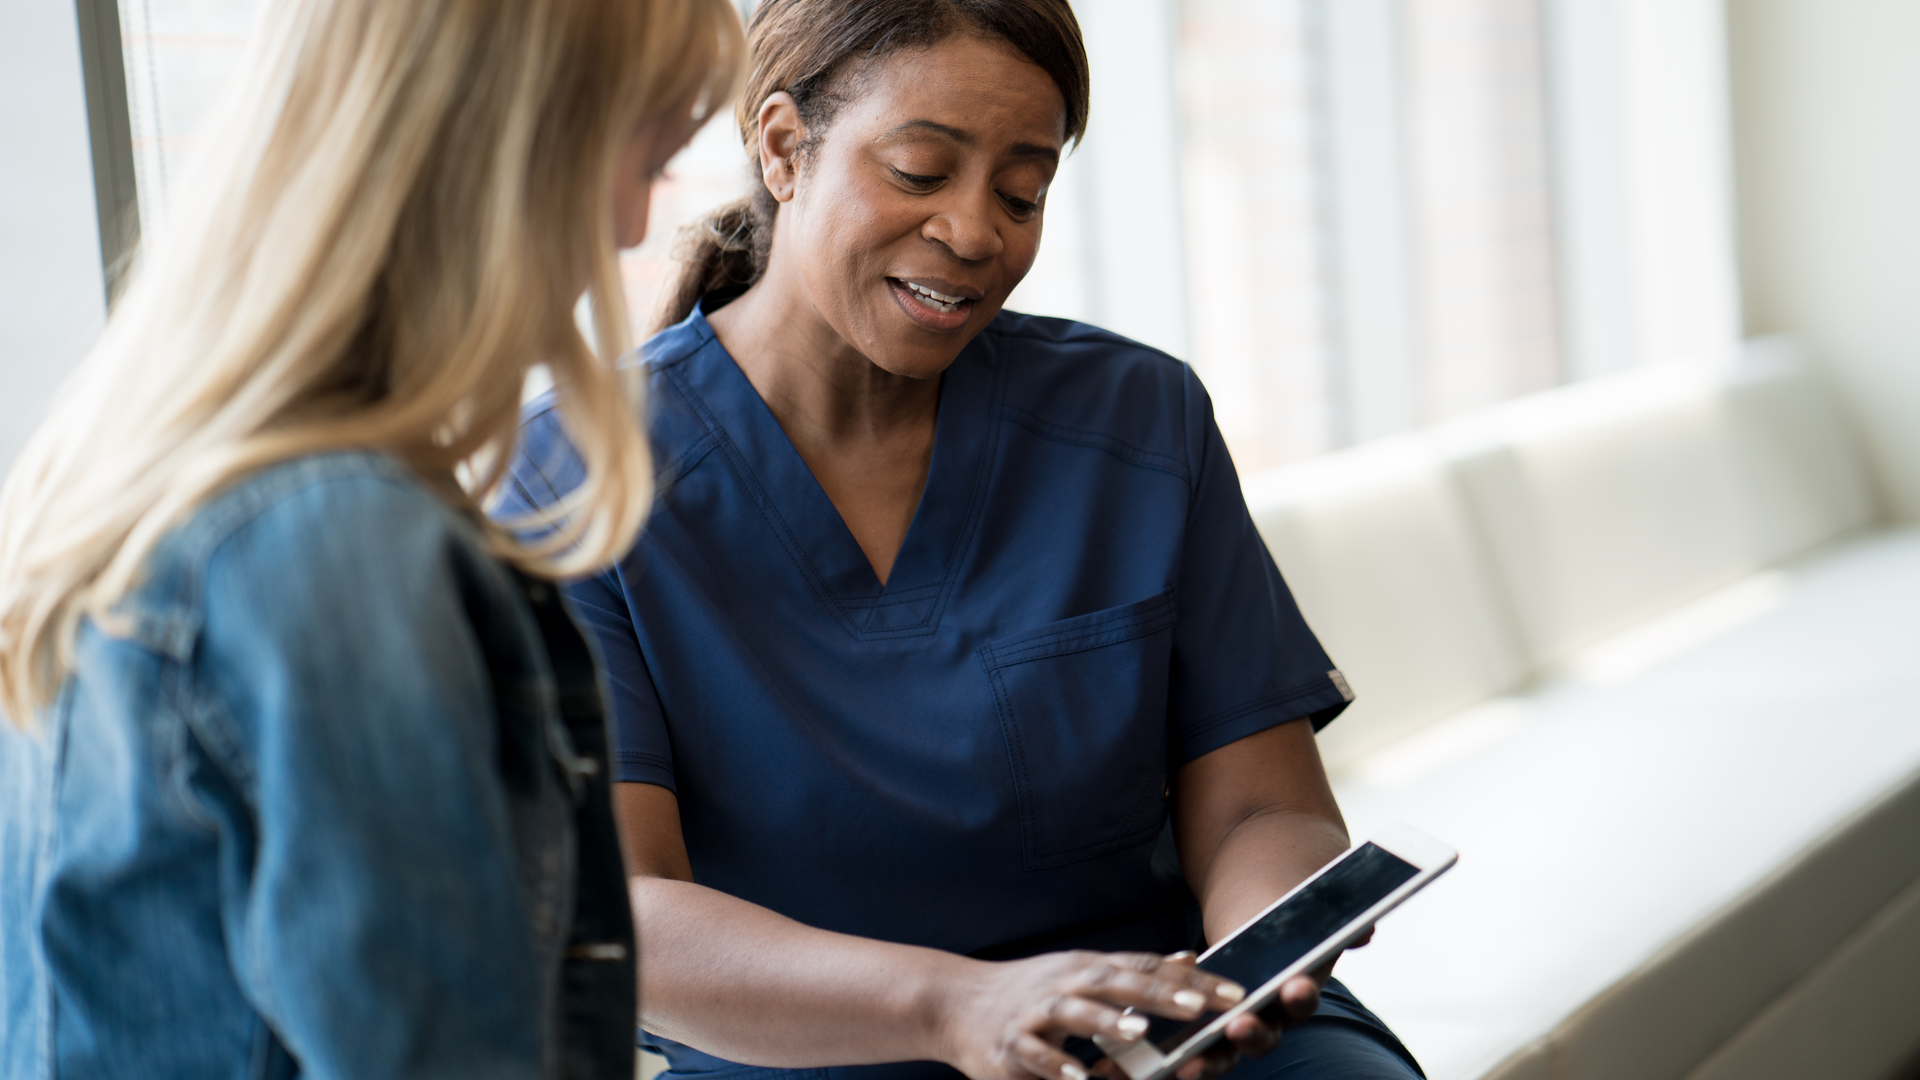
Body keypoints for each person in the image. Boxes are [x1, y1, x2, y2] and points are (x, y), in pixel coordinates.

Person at [504, 1, 1425, 1079]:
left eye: (1022, 190)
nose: (979, 231)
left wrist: (1254, 964)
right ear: (784, 147)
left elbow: (1264, 805)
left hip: (1151, 1028)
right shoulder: (574, 476)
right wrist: (962, 1006)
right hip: (810, 1054)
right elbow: (628, 916)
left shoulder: (1137, 418)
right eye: (922, 170)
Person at [0, 0, 742, 1076]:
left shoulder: (128, 487)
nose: (632, 225)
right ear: (511, 149)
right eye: (645, 156)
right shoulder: (337, 551)